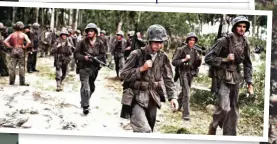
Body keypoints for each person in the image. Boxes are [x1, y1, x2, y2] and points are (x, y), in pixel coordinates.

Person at [120, 24, 179, 133]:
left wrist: (173, 97)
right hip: (136, 97)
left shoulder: (163, 57)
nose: (159, 45)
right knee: (144, 130)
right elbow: (123, 74)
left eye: (161, 42)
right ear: (149, 41)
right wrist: (141, 69)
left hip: (153, 98)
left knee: (150, 130)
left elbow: (168, 78)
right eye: (156, 42)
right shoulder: (136, 54)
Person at [205, 16, 254, 135]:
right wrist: (225, 59)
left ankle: (229, 135)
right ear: (234, 27)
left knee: (234, 111)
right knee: (224, 107)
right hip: (222, 77)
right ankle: (213, 126)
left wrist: (249, 82)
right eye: (239, 26)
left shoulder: (245, 42)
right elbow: (208, 58)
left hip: (236, 78)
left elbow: (248, 63)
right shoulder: (224, 41)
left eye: (244, 27)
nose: (242, 29)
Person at [74, 23, 106, 115]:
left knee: (91, 87)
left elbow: (103, 55)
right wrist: (85, 58)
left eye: (91, 31)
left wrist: (96, 58)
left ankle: (84, 100)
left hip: (94, 68)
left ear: (95, 32)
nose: (89, 33)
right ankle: (86, 107)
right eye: (88, 31)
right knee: (85, 87)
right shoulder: (82, 42)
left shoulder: (100, 43)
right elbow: (76, 54)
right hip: (84, 67)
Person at [171, 32, 202, 121]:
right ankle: (186, 115)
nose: (192, 42)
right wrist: (184, 59)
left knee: (184, 92)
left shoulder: (195, 51)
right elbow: (174, 62)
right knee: (187, 94)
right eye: (190, 40)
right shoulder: (181, 49)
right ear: (187, 40)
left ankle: (177, 105)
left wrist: (199, 59)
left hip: (191, 74)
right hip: (183, 73)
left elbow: (197, 65)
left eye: (193, 40)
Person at [3, 21, 31, 86]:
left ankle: (11, 82)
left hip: (13, 50)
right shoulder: (24, 34)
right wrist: (25, 47)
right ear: (22, 27)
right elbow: (29, 42)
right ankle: (22, 82)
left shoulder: (12, 34)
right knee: (21, 66)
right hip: (21, 49)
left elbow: (5, 41)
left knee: (12, 66)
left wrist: (10, 46)